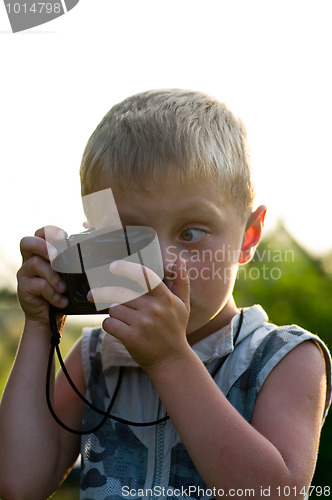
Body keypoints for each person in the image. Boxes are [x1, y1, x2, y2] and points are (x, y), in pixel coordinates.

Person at [0, 89, 331, 500]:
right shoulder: (95, 359)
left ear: (248, 237)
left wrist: (171, 359)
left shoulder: (283, 358)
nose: (162, 263)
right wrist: (39, 325)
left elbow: (272, 494)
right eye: (128, 236)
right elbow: (18, 483)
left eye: (191, 233)